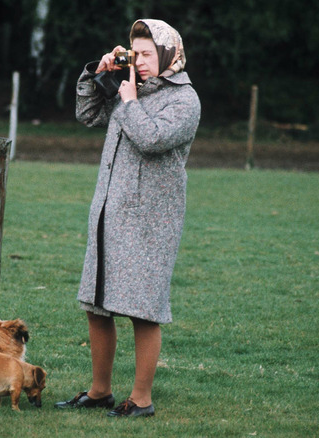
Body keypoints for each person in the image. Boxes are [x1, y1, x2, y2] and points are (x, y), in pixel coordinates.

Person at [54, 19, 201, 418]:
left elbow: (151, 139)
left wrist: (131, 99)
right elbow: (86, 115)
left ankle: (141, 400)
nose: (141, 62)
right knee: (97, 304)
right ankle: (99, 391)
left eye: (149, 54)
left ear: (170, 54)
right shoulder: (127, 88)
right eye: (136, 54)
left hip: (151, 220)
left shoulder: (184, 101)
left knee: (142, 309)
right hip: (109, 211)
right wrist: (97, 75)